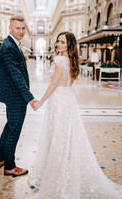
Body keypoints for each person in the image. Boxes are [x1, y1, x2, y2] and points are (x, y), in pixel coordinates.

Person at [28, 32, 122, 198]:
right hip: (67, 100)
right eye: (58, 41)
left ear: (69, 45)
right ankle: (66, 170)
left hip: (58, 101)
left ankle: (58, 175)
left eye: (62, 42)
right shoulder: (71, 60)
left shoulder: (60, 60)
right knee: (66, 136)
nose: (58, 44)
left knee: (58, 136)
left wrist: (41, 100)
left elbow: (55, 83)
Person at [0, 14, 37, 176]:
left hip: (12, 95)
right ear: (10, 28)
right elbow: (16, 76)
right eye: (17, 28)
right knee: (14, 130)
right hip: (15, 97)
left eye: (23, 28)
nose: (21, 31)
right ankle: (10, 167)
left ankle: (0, 159)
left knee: (9, 127)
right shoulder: (9, 47)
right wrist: (30, 98)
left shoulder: (11, 44)